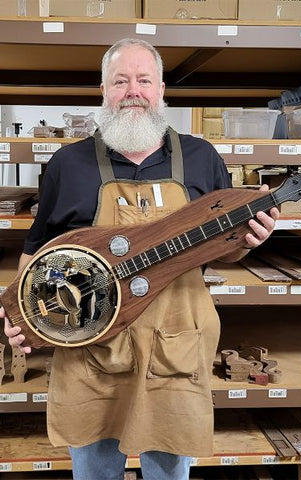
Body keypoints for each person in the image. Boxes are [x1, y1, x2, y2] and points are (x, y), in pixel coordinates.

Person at [1, 38, 279, 480]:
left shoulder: (202, 158)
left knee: (169, 474)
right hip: (92, 358)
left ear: (161, 89)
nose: (133, 90)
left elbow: (224, 247)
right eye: (121, 81)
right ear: (104, 90)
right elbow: (37, 250)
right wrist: (21, 315)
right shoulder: (68, 164)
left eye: (143, 80)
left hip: (175, 354)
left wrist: (251, 241)